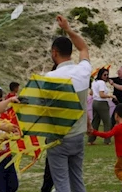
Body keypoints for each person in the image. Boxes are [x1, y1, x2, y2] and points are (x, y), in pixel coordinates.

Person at [43, 16, 92, 192]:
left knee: (62, 184)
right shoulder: (84, 71)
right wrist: (68, 29)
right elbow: (84, 47)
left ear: (54, 52)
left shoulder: (50, 78)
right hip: (78, 136)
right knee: (77, 180)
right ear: (70, 52)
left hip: (58, 138)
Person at [88, 103, 122, 192]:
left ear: (116, 115)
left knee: (118, 170)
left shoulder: (118, 127)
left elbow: (107, 135)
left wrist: (94, 132)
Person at [0, 86, 20, 192]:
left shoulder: (4, 115)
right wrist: (1, 130)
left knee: (13, 185)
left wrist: (13, 133)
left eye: (0, 101)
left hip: (6, 156)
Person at [89, 68, 115, 145]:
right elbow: (102, 95)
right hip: (102, 103)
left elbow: (91, 93)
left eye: (107, 75)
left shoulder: (94, 82)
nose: (106, 76)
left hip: (95, 102)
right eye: (104, 75)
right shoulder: (101, 83)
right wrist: (110, 96)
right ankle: (107, 140)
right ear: (101, 74)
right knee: (107, 122)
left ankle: (91, 140)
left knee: (95, 122)